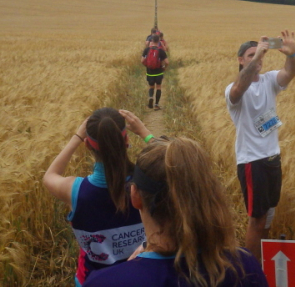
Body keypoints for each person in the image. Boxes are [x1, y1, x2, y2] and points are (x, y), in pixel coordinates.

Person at [84, 114, 268, 287]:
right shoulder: (244, 267)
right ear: (207, 192)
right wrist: (146, 134)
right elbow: (178, 167)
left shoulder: (104, 282)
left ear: (135, 196)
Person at [43, 108, 152, 286]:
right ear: (126, 140)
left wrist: (77, 137)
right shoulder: (147, 183)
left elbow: (49, 176)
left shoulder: (76, 191)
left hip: (92, 280)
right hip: (142, 279)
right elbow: (175, 164)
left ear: (87, 145)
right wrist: (145, 133)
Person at [224, 30, 295, 261]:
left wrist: (292, 54)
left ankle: (261, 265)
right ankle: (251, 270)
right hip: (252, 162)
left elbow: (290, 72)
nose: (257, 59)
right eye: (250, 55)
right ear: (240, 60)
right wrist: (257, 57)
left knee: (267, 218)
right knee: (256, 221)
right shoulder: (233, 89)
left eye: (259, 55)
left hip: (272, 158)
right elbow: (238, 89)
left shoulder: (269, 81)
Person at [142, 35, 169, 111]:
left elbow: (142, 61)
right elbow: (167, 62)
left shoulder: (147, 50)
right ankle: (156, 105)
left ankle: (151, 97)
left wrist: (147, 66)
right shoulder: (161, 51)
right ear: (158, 41)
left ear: (152, 41)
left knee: (151, 87)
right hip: (159, 72)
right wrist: (164, 67)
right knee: (158, 87)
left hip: (150, 72)